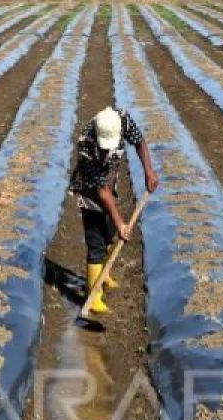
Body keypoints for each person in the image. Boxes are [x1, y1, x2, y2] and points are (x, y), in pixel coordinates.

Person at [69, 106, 158, 315]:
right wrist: (120, 223)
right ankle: (93, 295)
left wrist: (148, 170)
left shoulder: (123, 120)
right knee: (96, 240)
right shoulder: (87, 144)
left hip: (107, 183)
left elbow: (139, 142)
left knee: (108, 234)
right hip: (89, 189)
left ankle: (104, 274)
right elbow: (100, 192)